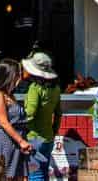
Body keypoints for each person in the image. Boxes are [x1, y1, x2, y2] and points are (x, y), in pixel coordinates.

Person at [0, 60, 36, 178]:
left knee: (20, 175)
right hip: (6, 141)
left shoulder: (10, 95)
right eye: (17, 75)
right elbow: (3, 122)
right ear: (9, 76)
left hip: (17, 141)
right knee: (7, 175)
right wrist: (21, 141)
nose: (19, 78)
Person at [22, 52, 61, 181]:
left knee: (35, 174)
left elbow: (30, 113)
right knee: (43, 173)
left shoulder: (35, 88)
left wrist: (18, 124)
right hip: (48, 137)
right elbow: (58, 112)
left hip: (34, 137)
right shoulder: (55, 88)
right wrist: (54, 131)